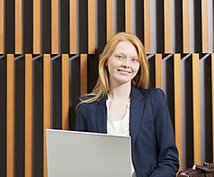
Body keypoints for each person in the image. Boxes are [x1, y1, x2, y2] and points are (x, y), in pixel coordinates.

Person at [75, 32, 179, 177]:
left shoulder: (154, 100)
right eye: (120, 57)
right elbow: (81, 162)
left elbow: (169, 159)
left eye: (134, 60)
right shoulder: (87, 108)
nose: (126, 64)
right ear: (106, 60)